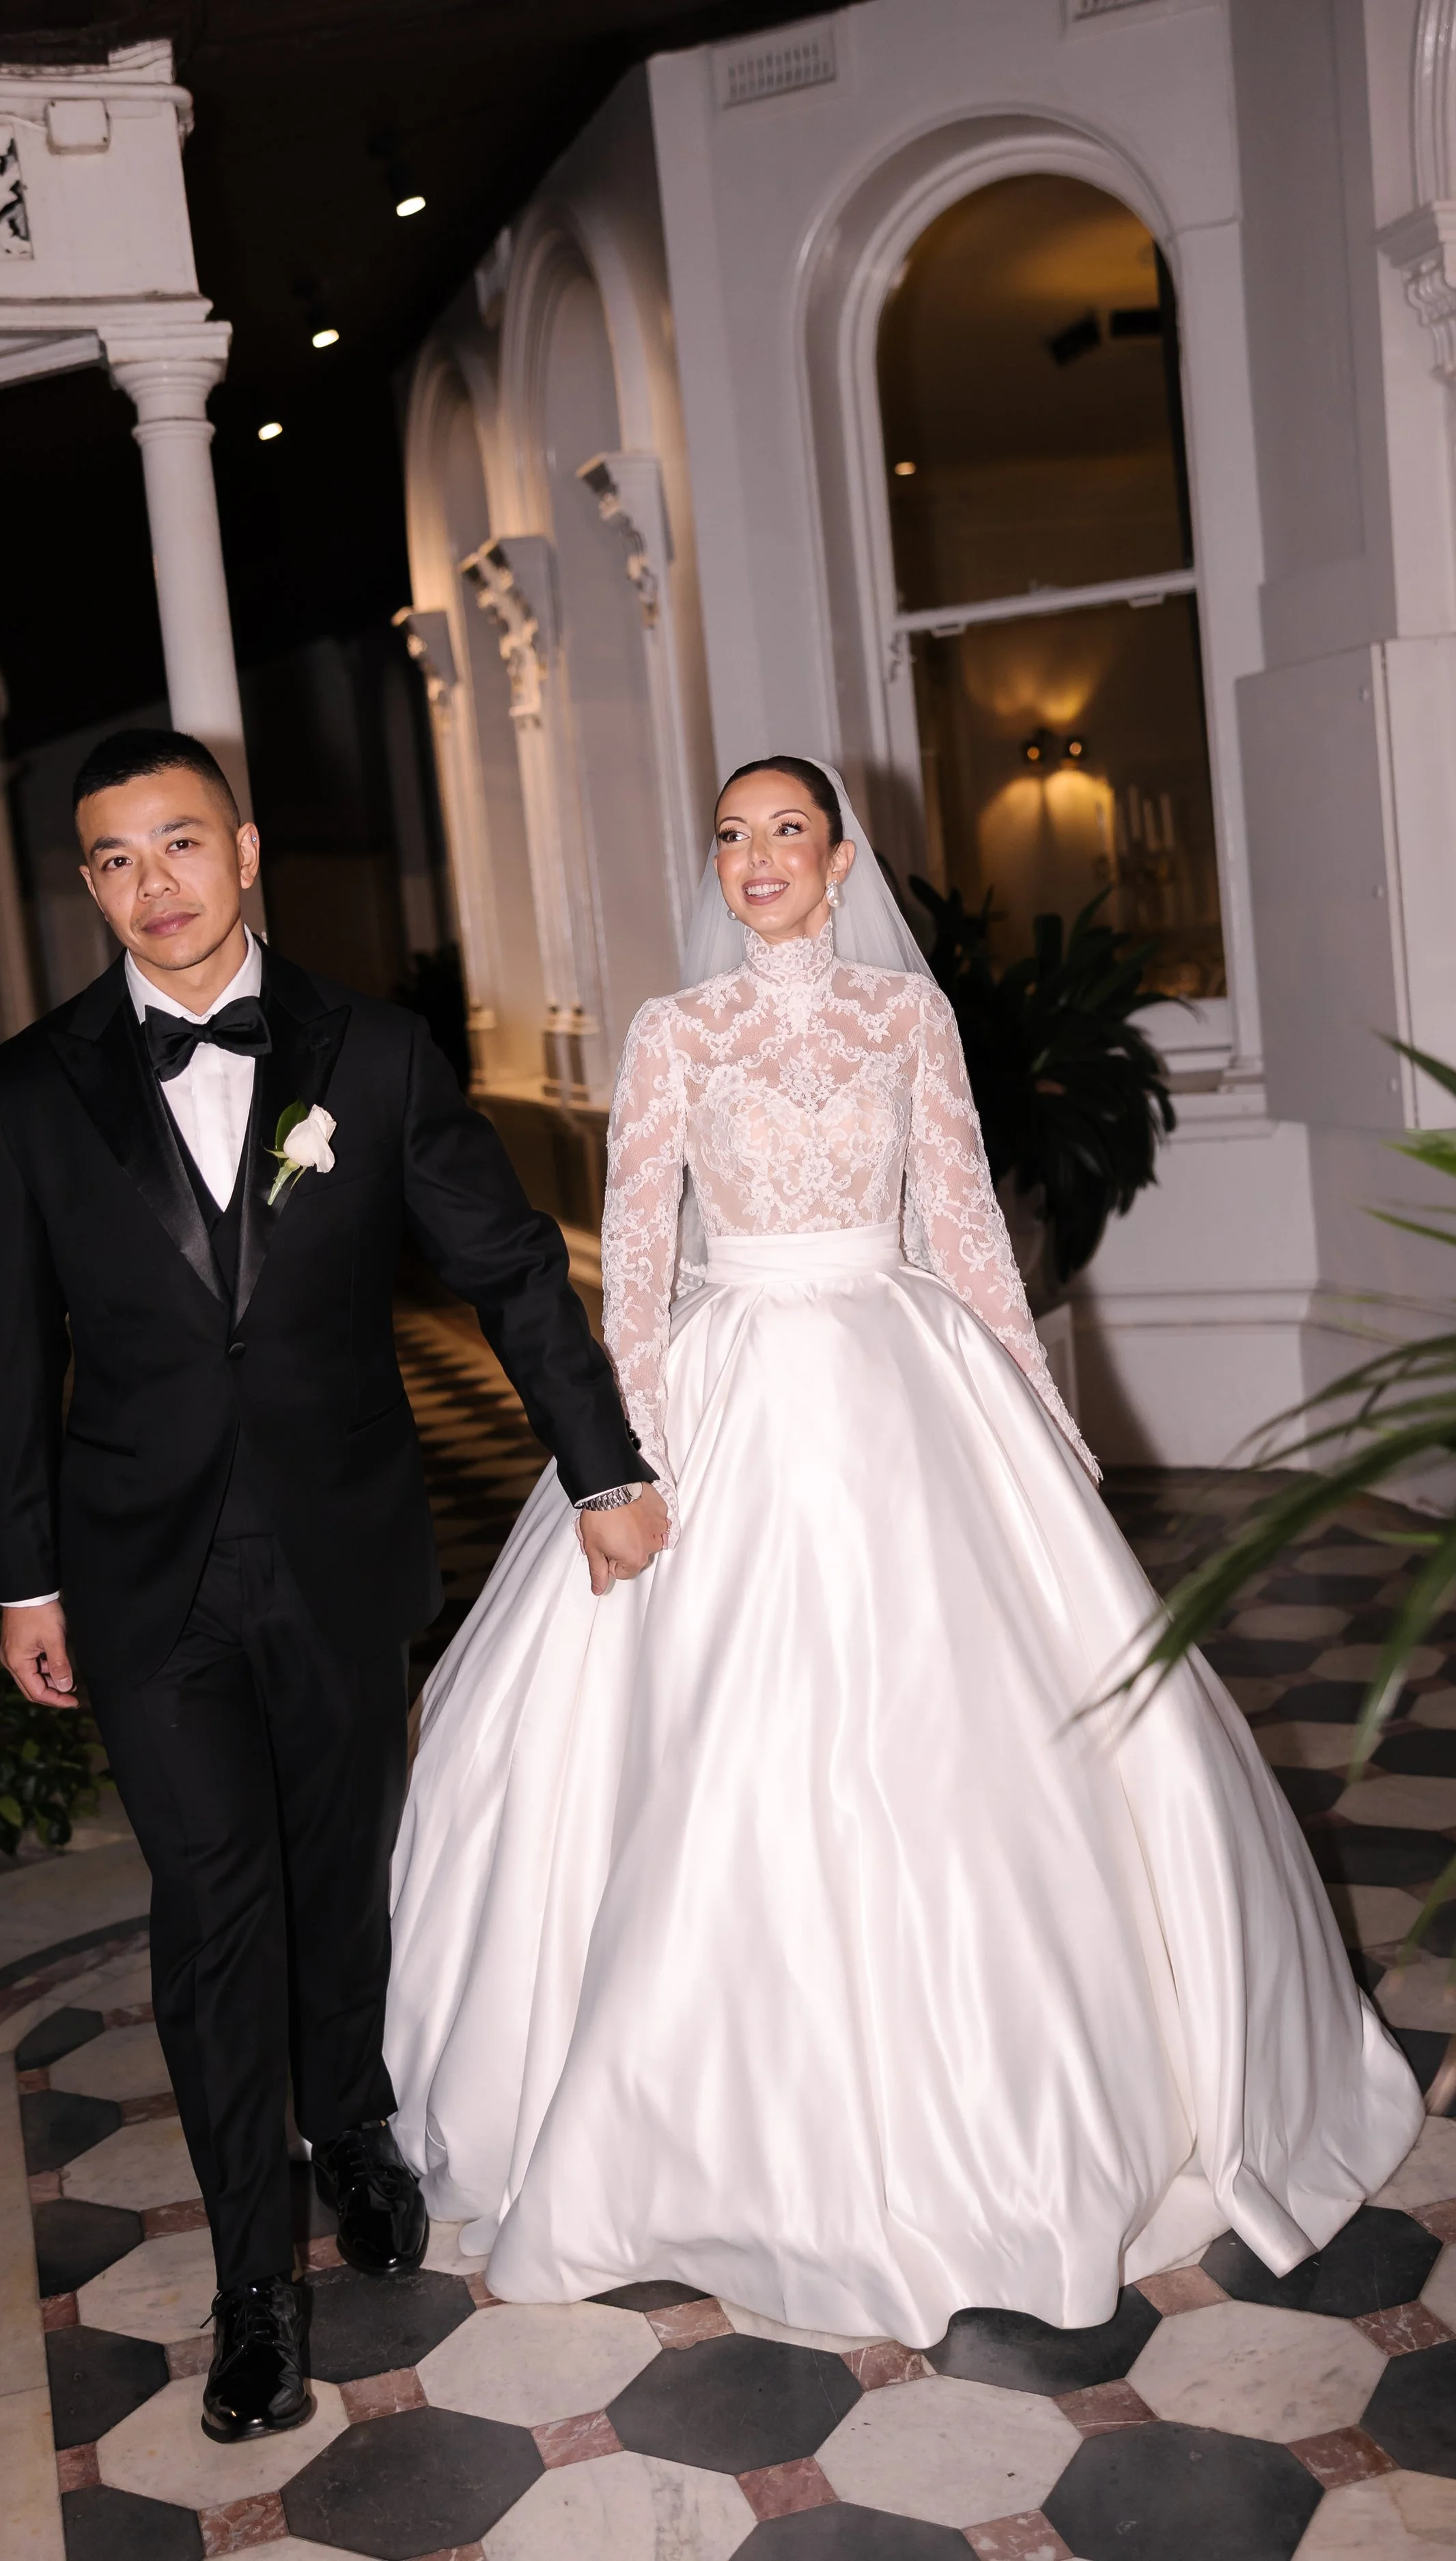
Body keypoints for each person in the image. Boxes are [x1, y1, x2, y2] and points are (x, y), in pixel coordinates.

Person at [384, 753, 1422, 2346]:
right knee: (706, 1745)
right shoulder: (673, 1032)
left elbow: (964, 1235)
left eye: (783, 831)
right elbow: (641, 1261)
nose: (754, 858)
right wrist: (626, 1460)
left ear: (837, 853)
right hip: (726, 1381)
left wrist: (1043, 1424)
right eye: (729, 835)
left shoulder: (903, 1020)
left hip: (902, 1367)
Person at [0, 729, 664, 2444]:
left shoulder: (382, 1055)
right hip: (141, 1573)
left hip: (340, 1542)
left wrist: (602, 1466)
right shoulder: (25, 1093)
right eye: (115, 861)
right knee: (211, 1902)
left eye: (180, 845)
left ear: (246, 848)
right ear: (87, 883)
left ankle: (346, 2111)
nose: (154, 888)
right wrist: (21, 1580)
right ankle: (252, 2286)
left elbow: (506, 1274)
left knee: (339, 1860)